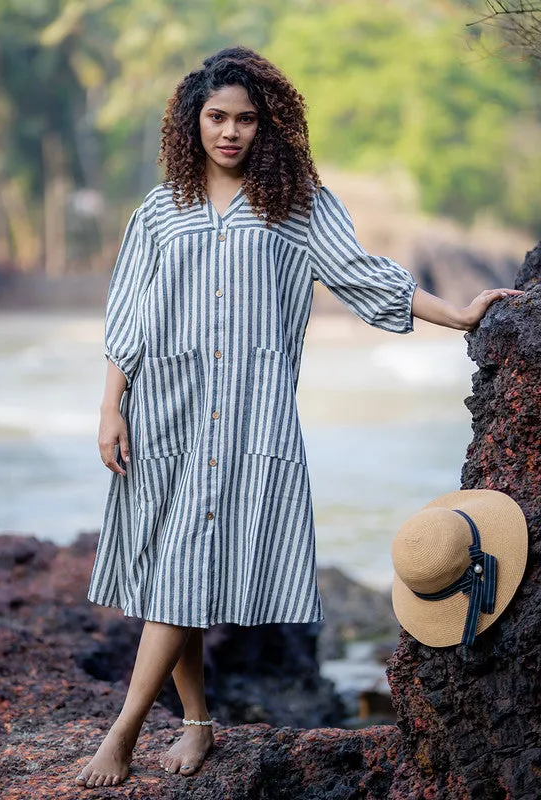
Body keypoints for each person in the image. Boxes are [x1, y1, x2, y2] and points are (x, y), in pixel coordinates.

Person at [75, 46, 521, 789]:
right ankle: (193, 721)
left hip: (250, 419)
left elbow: (366, 275)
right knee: (172, 575)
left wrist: (462, 317)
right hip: (164, 411)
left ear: (267, 126)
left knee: (185, 567)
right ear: (193, 121)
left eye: (245, 119)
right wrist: (110, 406)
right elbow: (130, 315)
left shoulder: (297, 205)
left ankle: (121, 735)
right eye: (217, 116)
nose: (230, 131)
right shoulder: (159, 211)